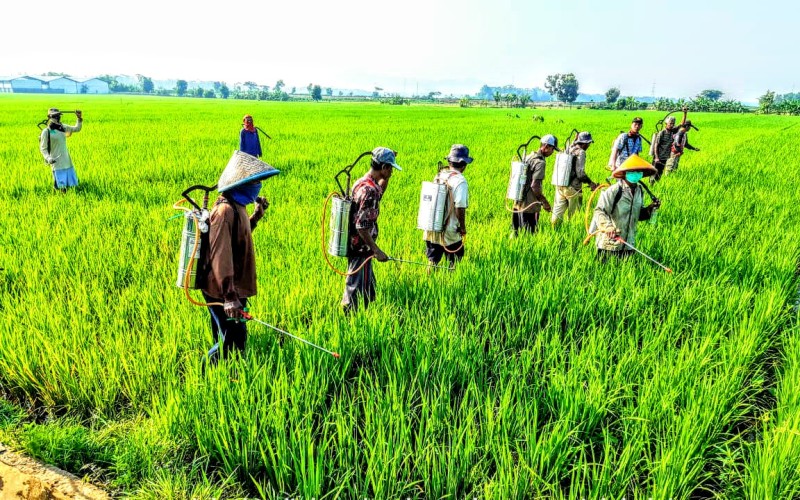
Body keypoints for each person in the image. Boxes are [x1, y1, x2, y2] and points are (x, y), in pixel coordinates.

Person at [199, 151, 278, 364]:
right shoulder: (224, 211)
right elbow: (220, 255)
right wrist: (230, 297)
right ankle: (206, 371)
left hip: (232, 287)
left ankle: (224, 374)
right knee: (234, 340)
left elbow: (239, 237)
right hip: (222, 289)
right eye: (254, 181)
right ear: (240, 183)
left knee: (227, 335)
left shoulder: (238, 206)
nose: (257, 186)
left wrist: (257, 216)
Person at [341, 147, 402, 314]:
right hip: (361, 249)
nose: (391, 172)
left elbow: (379, 191)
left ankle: (367, 316)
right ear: (383, 168)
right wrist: (376, 250)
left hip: (357, 246)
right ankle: (349, 320)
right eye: (390, 168)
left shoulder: (363, 182)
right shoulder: (370, 191)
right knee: (355, 290)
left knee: (369, 289)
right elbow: (362, 226)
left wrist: (387, 173)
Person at [591, 155, 660, 261]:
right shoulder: (614, 191)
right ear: (625, 173)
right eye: (633, 171)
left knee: (624, 273)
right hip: (610, 243)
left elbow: (638, 215)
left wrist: (650, 208)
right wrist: (608, 226)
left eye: (638, 171)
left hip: (628, 244)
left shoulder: (639, 191)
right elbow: (599, 210)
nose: (636, 174)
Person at [423, 144, 470, 269]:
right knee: (454, 262)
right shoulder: (460, 181)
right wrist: (463, 228)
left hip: (433, 226)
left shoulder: (439, 175)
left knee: (432, 260)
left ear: (449, 161)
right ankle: (451, 284)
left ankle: (428, 282)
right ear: (464, 164)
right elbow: (460, 206)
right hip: (450, 230)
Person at [511, 135, 557, 236]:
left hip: (518, 202)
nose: (553, 152)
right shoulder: (540, 162)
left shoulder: (528, 156)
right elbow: (535, 186)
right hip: (530, 206)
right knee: (530, 236)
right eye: (553, 149)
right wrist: (544, 202)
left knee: (515, 233)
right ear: (546, 146)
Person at [551, 132, 599, 226]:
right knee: (573, 216)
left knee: (557, 212)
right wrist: (591, 183)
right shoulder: (581, 152)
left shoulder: (568, 149)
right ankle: (571, 231)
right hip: (573, 188)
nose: (589, 145)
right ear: (584, 143)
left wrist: (574, 140)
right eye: (588, 143)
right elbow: (580, 173)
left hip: (560, 185)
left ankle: (554, 229)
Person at [39, 108, 83, 192]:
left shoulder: (63, 127)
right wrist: (48, 158)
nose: (57, 118)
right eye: (55, 116)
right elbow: (43, 148)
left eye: (58, 115)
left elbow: (77, 128)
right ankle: (58, 199)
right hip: (56, 161)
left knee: (70, 186)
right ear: (49, 117)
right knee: (60, 185)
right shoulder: (46, 131)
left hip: (66, 160)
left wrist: (79, 118)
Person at [649, 116, 676, 183]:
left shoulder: (672, 133)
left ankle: (655, 187)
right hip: (658, 157)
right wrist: (657, 157)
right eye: (670, 123)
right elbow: (656, 145)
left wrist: (685, 113)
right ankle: (651, 186)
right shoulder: (662, 133)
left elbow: (682, 124)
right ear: (666, 124)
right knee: (654, 173)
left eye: (673, 124)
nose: (671, 125)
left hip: (665, 157)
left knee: (659, 174)